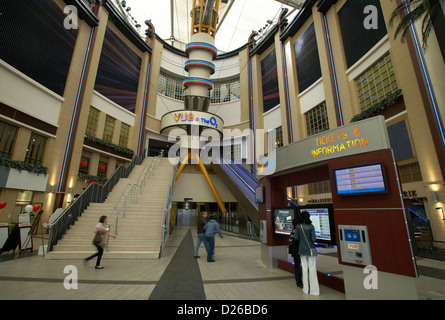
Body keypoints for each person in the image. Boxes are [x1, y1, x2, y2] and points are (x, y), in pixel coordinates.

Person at [294, 211, 319, 295]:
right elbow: (314, 239)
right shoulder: (311, 226)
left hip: (301, 249)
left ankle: (305, 288)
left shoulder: (298, 226)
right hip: (311, 249)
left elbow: (296, 237)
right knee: (312, 268)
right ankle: (314, 290)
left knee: (304, 268)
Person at [288, 218, 303, 288]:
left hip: (294, 251)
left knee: (296, 265)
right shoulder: (298, 231)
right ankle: (300, 281)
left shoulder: (293, 231)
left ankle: (298, 280)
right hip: (299, 251)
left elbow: (290, 241)